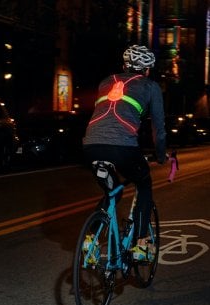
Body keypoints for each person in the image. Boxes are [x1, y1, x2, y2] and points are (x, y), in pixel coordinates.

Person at [82, 44, 166, 261]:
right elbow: (159, 128)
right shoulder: (150, 86)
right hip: (123, 147)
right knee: (144, 183)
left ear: (124, 65)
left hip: (91, 146)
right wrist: (161, 155)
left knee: (112, 192)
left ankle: (90, 239)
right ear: (148, 70)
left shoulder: (106, 81)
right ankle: (141, 243)